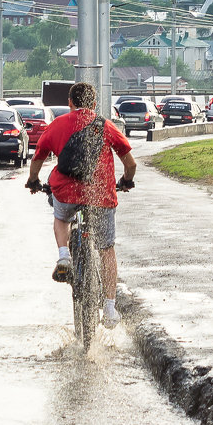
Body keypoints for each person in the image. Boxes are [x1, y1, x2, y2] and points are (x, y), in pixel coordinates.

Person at [25, 82, 136, 328]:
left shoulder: (57, 125)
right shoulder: (106, 126)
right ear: (94, 104)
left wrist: (33, 181)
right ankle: (109, 308)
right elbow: (131, 164)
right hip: (100, 195)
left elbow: (38, 158)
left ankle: (64, 256)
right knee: (106, 249)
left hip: (65, 192)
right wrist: (126, 181)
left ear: (70, 103)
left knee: (62, 217)